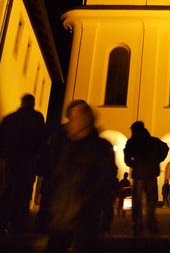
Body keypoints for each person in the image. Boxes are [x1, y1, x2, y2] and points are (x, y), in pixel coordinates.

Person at [46, 100, 117, 252]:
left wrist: (85, 203)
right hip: (62, 218)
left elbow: (103, 183)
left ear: (85, 120)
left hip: (82, 219)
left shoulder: (100, 149)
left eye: (72, 119)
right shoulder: (66, 146)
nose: (69, 124)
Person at [0, 94, 46, 234]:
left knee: (8, 190)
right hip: (28, 160)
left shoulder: (10, 118)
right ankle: (18, 224)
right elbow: (42, 139)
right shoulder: (37, 118)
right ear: (33, 104)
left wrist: (3, 155)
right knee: (24, 192)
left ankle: (1, 223)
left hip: (12, 160)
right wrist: (38, 158)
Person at [124, 121, 169, 236]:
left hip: (139, 174)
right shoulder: (154, 141)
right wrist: (157, 160)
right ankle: (151, 222)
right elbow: (165, 149)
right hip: (151, 174)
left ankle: (138, 224)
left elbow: (127, 158)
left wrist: (133, 164)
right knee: (151, 200)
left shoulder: (132, 142)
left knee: (137, 201)